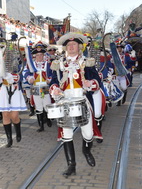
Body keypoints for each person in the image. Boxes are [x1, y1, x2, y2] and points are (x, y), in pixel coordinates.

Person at [49, 33, 102, 178]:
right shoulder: (58, 64)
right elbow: (53, 81)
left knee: (88, 134)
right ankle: (71, 165)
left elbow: (98, 81)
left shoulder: (87, 62)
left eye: (74, 45)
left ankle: (86, 150)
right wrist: (55, 88)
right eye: (69, 45)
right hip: (65, 102)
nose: (71, 47)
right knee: (67, 134)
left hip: (82, 100)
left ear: (79, 47)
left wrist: (91, 83)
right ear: (66, 48)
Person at [0, 43, 27, 147]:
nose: (7, 56)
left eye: (9, 54)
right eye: (5, 54)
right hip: (4, 90)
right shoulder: (0, 67)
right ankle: (9, 139)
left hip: (15, 91)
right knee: (5, 115)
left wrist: (10, 76)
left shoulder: (18, 66)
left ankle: (18, 131)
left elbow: (18, 78)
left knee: (14, 116)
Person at [24, 41, 53, 132]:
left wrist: (49, 79)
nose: (39, 57)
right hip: (35, 88)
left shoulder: (48, 64)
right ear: (34, 56)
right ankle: (41, 125)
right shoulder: (31, 64)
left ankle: (48, 119)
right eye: (37, 55)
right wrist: (29, 78)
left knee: (47, 105)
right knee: (38, 106)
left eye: (41, 55)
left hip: (45, 87)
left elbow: (53, 74)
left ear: (44, 55)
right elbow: (25, 73)